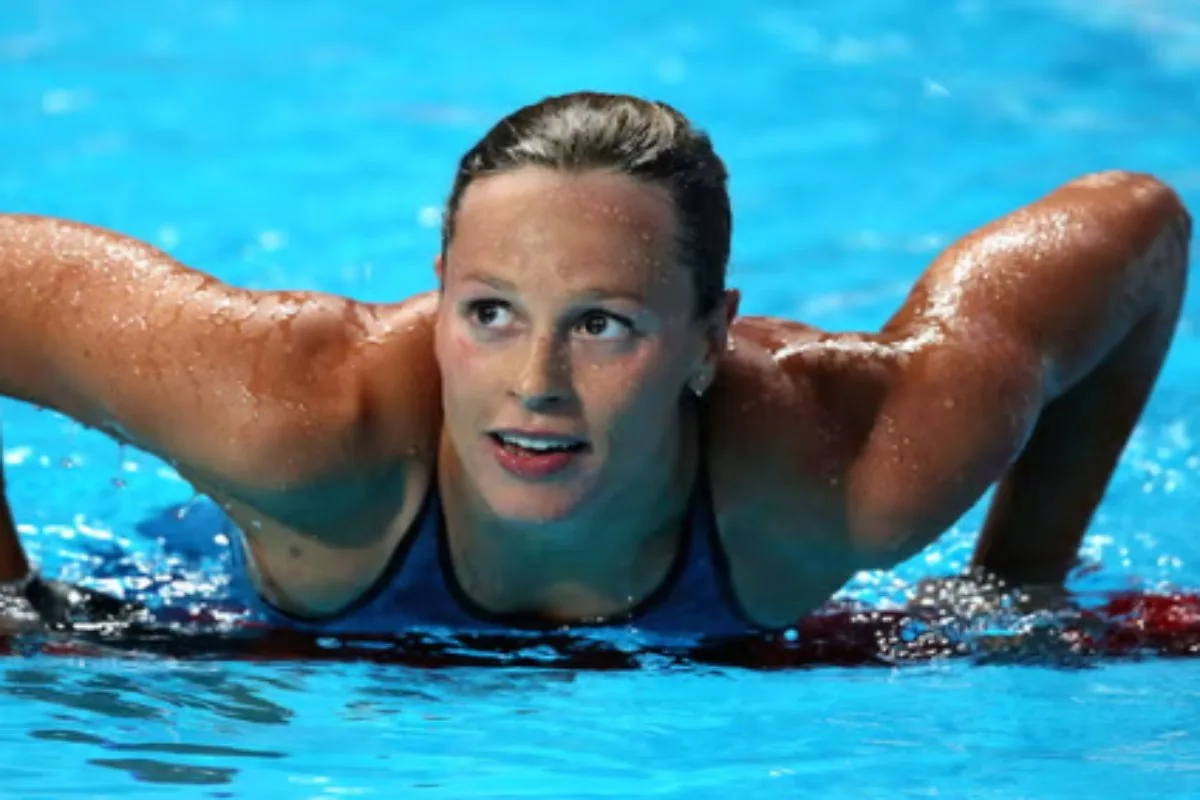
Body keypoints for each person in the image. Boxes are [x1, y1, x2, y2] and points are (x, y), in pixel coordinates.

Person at [0, 91, 1191, 641]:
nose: (536, 381)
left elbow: (1138, 224)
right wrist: (12, 602)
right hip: (212, 581)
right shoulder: (293, 417)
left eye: (604, 325)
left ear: (710, 335)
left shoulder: (855, 466)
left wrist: (1018, 585)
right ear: (439, 292)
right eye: (490, 312)